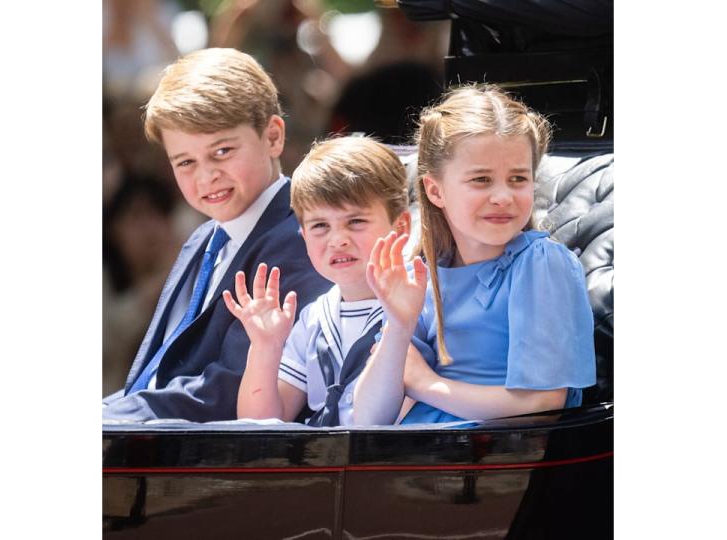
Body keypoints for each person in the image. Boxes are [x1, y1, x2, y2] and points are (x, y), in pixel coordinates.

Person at [102, 48, 330, 422]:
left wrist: (113, 418)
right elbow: (158, 377)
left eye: (222, 151)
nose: (206, 177)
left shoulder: (301, 239)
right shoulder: (203, 238)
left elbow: (227, 387)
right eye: (186, 162)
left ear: (273, 137)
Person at [353, 85, 596, 425]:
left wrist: (427, 384)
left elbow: (543, 403)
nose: (503, 196)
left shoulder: (540, 264)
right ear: (435, 190)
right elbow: (367, 419)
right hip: (414, 458)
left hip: (487, 462)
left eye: (518, 179)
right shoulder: (424, 276)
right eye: (482, 179)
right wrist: (399, 324)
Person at [223, 136, 412, 427]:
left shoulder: (422, 302)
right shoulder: (314, 318)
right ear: (303, 235)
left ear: (400, 226)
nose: (338, 240)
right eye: (320, 226)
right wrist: (265, 347)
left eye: (356, 222)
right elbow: (259, 424)